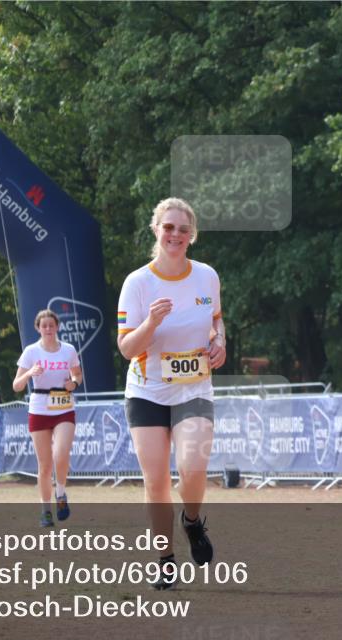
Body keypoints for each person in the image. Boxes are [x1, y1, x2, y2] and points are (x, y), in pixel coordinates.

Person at [117, 197, 226, 590]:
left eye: (183, 229)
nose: (175, 234)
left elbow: (216, 321)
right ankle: (165, 560)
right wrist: (150, 322)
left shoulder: (207, 277)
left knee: (193, 467)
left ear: (192, 235)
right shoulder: (138, 283)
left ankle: (193, 522)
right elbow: (128, 348)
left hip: (194, 388)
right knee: (157, 481)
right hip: (147, 390)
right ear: (156, 230)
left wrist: (220, 344)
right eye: (168, 227)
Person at [13, 309, 83, 527]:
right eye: (44, 326)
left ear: (57, 327)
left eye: (51, 325)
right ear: (38, 328)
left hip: (63, 406)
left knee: (61, 454)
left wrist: (74, 383)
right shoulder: (31, 352)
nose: (48, 329)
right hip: (39, 408)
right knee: (44, 465)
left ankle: (60, 495)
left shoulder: (68, 350)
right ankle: (45, 510)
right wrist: (29, 373)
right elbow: (16, 386)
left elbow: (77, 374)